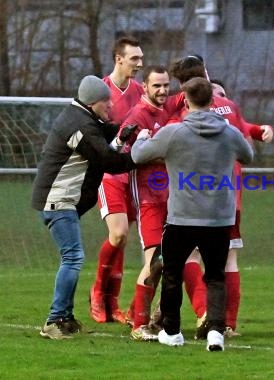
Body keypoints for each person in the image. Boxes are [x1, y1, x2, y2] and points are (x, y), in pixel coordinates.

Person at [131, 77, 254, 351]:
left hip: (182, 217)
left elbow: (139, 155)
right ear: (212, 101)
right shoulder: (228, 131)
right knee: (215, 275)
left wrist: (141, 137)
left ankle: (173, 332)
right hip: (219, 218)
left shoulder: (174, 132)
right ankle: (216, 333)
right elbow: (249, 154)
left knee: (173, 273)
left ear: (185, 101)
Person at [167, 55, 273, 339]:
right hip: (227, 199)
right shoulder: (229, 107)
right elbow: (244, 142)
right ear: (206, 74)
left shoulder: (180, 111)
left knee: (185, 258)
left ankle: (203, 312)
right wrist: (258, 131)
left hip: (188, 199)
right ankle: (227, 324)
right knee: (228, 261)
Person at [32, 75, 136, 339]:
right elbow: (108, 159)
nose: (110, 106)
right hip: (58, 201)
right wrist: (139, 157)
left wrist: (127, 130)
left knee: (73, 258)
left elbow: (105, 131)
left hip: (60, 200)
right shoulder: (80, 125)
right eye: (105, 102)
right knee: (73, 257)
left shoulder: (81, 118)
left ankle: (65, 317)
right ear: (92, 103)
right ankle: (55, 319)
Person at [90, 36, 144, 324]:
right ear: (118, 59)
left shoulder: (140, 91)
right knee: (119, 233)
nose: (140, 63)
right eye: (134, 58)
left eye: (141, 58)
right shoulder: (101, 89)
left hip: (135, 174)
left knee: (122, 240)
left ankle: (113, 303)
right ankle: (98, 292)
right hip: (109, 172)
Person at [117, 65, 173, 341]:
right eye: (156, 86)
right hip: (149, 197)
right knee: (154, 261)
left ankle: (146, 316)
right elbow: (127, 155)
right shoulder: (138, 115)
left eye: (165, 85)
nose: (162, 90)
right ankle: (140, 325)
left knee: (168, 261)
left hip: (171, 196)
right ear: (145, 87)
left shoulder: (168, 112)